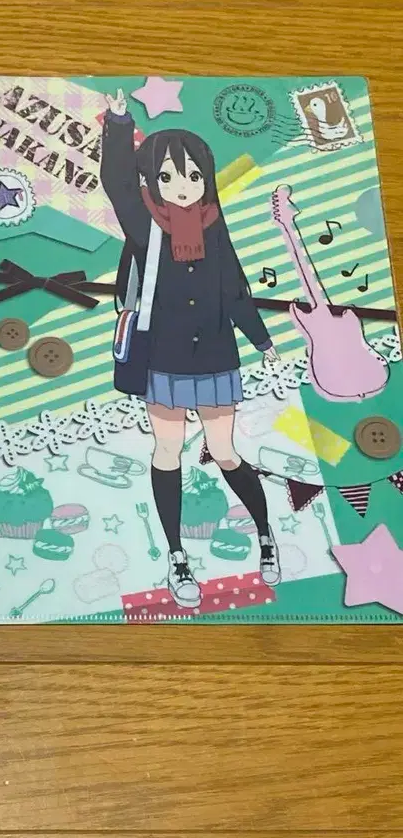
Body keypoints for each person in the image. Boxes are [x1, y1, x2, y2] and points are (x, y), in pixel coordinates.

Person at [100, 88, 281, 608]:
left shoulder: (213, 223)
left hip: (217, 355)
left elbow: (235, 287)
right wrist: (118, 123)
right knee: (167, 451)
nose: (183, 186)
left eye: (193, 175)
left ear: (206, 178)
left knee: (224, 452)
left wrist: (262, 340)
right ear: (151, 182)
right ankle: (177, 555)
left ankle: (266, 534)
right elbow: (115, 182)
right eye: (169, 177)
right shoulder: (143, 224)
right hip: (165, 358)